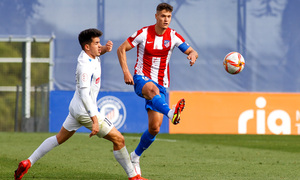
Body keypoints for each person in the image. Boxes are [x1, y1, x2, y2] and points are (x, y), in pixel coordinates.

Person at [14, 28, 147, 180]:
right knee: (119, 139)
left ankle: (27, 162)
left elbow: (97, 52)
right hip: (85, 110)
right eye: (97, 43)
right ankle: (134, 177)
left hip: (76, 108)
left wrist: (105, 49)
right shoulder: (84, 66)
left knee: (59, 138)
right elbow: (84, 95)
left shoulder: (90, 54)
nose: (99, 46)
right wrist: (94, 120)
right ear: (87, 47)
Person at [117, 2, 198, 176]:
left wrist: (192, 55)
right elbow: (121, 49)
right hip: (141, 78)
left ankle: (135, 156)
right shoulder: (144, 33)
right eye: (162, 16)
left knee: (154, 128)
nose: (166, 19)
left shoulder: (174, 36)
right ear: (156, 16)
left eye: (168, 16)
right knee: (152, 89)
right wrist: (126, 72)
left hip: (161, 84)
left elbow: (191, 50)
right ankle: (171, 113)